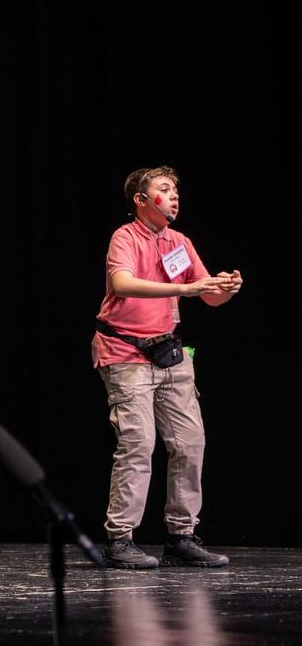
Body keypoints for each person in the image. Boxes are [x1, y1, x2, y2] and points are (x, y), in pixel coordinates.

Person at [92, 166, 241, 570]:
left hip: (170, 354)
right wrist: (187, 288)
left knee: (190, 443)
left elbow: (207, 296)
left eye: (175, 189)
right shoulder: (124, 237)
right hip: (125, 353)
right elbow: (122, 284)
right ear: (141, 200)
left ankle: (181, 536)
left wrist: (223, 290)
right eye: (163, 189)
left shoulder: (179, 241)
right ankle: (120, 538)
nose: (174, 196)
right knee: (138, 445)